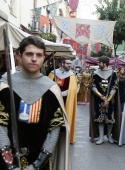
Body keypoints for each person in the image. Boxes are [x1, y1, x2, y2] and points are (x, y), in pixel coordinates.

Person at [0, 36, 71, 170]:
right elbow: (0, 127)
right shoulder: (5, 87)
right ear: (19, 56)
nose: (34, 59)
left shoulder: (52, 89)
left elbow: (54, 128)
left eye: (39, 55)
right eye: (29, 54)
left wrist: (37, 165)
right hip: (7, 161)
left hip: (40, 161)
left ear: (43, 58)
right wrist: (10, 164)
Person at [89, 56, 121, 145]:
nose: (98, 64)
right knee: (100, 118)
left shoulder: (113, 74)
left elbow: (115, 86)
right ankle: (101, 137)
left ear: (105, 63)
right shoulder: (95, 73)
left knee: (110, 118)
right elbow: (93, 86)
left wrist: (108, 99)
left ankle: (109, 135)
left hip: (110, 100)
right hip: (98, 100)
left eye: (100, 62)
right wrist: (101, 97)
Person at [48, 57, 77, 144]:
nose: (69, 65)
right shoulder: (53, 73)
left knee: (64, 118)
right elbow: (48, 86)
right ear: (62, 64)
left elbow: (73, 89)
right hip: (53, 99)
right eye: (68, 63)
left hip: (66, 100)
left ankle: (64, 136)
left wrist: (62, 93)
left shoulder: (72, 75)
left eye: (70, 64)